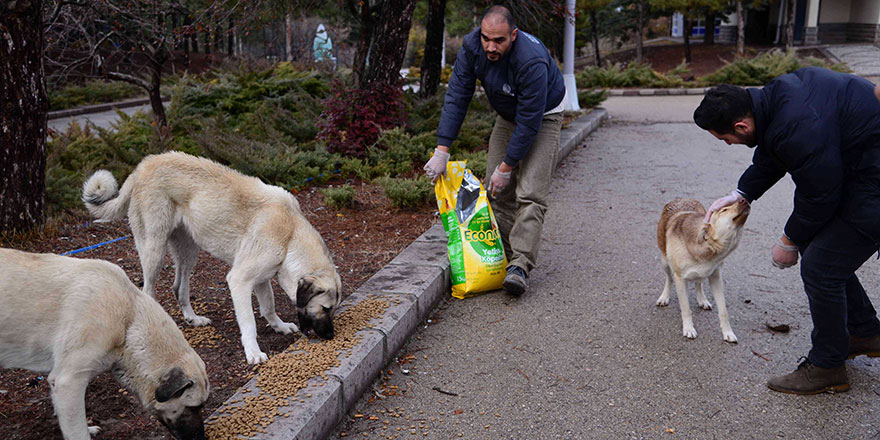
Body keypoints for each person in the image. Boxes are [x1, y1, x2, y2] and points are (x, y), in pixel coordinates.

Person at [694, 67, 880, 395]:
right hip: (861, 166)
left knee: (821, 267)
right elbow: (773, 151)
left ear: (741, 125)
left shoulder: (796, 124)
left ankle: (827, 366)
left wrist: (788, 239)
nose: (727, 144)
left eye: (726, 138)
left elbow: (820, 192)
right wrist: (742, 193)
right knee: (822, 252)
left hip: (873, 181)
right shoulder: (776, 98)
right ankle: (863, 331)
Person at [423, 5, 566, 297]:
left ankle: (521, 265)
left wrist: (507, 166)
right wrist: (442, 149)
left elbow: (529, 123)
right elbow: (457, 96)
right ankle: (502, 256)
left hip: (544, 115)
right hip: (508, 113)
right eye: (486, 38)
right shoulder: (472, 46)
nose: (491, 46)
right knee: (496, 189)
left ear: (513, 35)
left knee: (531, 192)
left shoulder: (531, 61)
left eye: (499, 40)